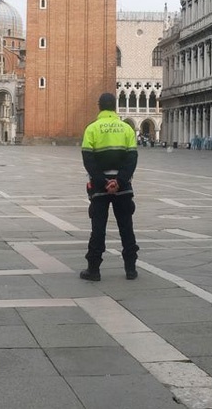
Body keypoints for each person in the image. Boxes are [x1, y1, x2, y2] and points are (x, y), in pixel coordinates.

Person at [80, 92, 140, 282]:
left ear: (99, 106)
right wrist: (119, 181)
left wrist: (103, 182)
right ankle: (131, 269)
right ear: (115, 107)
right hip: (123, 187)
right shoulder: (127, 128)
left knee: (98, 228)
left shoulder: (92, 128)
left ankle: (94, 270)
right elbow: (132, 159)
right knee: (126, 227)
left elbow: (88, 160)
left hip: (99, 188)